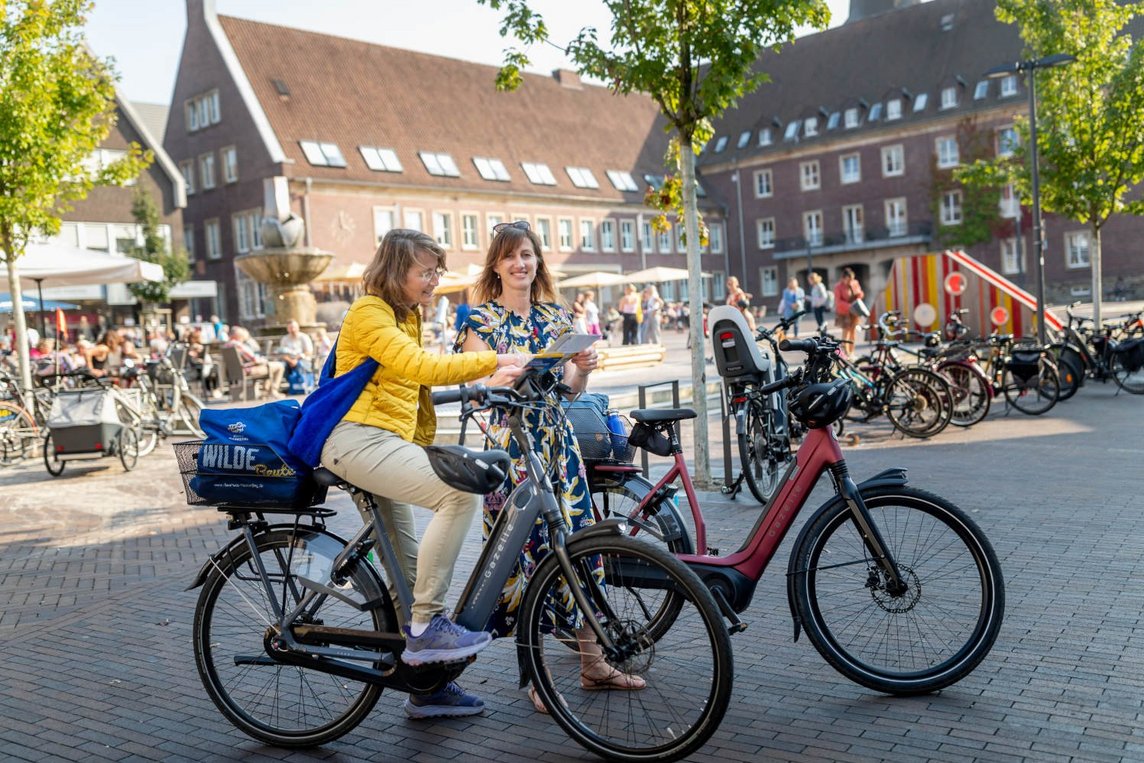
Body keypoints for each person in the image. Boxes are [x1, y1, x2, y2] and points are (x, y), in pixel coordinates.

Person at [320, 229, 525, 719]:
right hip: (356, 441)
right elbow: (416, 366)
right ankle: (429, 626)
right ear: (397, 270)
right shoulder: (370, 312)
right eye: (425, 271)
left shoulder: (404, 314)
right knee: (460, 494)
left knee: (408, 578)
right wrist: (495, 357)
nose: (434, 280)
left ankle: (425, 685)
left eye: (438, 270)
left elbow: (409, 386)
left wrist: (475, 393)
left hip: (383, 443)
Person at [456, 220, 645, 715]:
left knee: (580, 548)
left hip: (559, 447)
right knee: (531, 560)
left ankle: (592, 663)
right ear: (496, 264)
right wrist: (510, 370)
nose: (521, 263)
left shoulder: (555, 316)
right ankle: (537, 678)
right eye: (511, 256)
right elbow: (478, 385)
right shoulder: (480, 322)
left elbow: (571, 389)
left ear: (538, 262)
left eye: (528, 255)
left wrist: (582, 364)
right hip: (513, 451)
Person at [225, 326, 286, 398]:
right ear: (237, 336)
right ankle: (273, 391)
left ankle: (265, 392)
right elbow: (253, 359)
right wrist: (263, 360)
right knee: (279, 366)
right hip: (248, 370)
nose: (243, 338)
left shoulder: (226, 345)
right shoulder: (237, 345)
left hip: (236, 371)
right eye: (241, 336)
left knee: (270, 366)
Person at [833, 267, 865, 358]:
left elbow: (860, 294)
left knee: (853, 333)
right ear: (843, 278)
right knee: (846, 333)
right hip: (844, 312)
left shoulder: (854, 283)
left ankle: (852, 352)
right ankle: (846, 354)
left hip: (854, 312)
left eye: (851, 279)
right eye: (848, 279)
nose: (850, 281)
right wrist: (849, 306)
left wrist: (858, 294)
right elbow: (838, 302)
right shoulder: (838, 287)